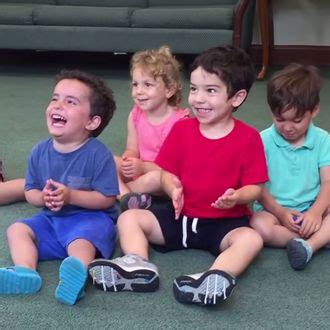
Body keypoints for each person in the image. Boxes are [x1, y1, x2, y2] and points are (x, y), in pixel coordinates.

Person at [88, 45, 268, 306]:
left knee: (251, 239)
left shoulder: (249, 138)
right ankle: (138, 265)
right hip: (179, 216)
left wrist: (238, 196)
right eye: (194, 89)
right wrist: (172, 188)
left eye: (211, 90)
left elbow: (256, 188)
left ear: (237, 98)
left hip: (223, 224)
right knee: (129, 218)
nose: (198, 98)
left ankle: (214, 278)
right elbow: (165, 174)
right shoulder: (182, 130)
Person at [0, 70, 119, 305]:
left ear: (92, 121)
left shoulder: (98, 154)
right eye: (55, 98)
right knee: (17, 229)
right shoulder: (39, 152)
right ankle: (26, 272)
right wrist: (42, 198)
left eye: (70, 101)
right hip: (52, 220)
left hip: (90, 219)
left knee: (82, 241)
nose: (58, 105)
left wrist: (72, 196)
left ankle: (77, 272)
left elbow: (107, 198)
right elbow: (30, 191)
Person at [251, 63, 330, 270]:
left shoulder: (323, 140)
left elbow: (328, 182)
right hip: (273, 211)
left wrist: (315, 213)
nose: (287, 128)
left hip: (314, 209)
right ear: (271, 110)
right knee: (259, 227)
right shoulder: (262, 140)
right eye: (279, 119)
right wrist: (281, 213)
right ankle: (318, 239)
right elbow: (257, 187)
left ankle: (309, 245)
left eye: (296, 120)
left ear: (314, 111)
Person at [116, 46, 189, 211]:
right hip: (138, 171)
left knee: (156, 179)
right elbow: (131, 149)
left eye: (147, 85)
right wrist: (128, 161)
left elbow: (177, 167)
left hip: (162, 176)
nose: (139, 91)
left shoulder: (180, 123)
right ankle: (126, 197)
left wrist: (143, 167)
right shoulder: (135, 115)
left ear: (169, 90)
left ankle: (117, 192)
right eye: (135, 84)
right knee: (108, 159)